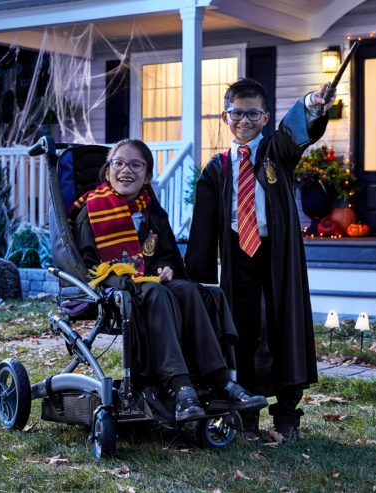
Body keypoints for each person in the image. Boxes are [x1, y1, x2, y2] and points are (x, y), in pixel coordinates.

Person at [71, 138, 268, 422]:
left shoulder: (152, 211)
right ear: (107, 172)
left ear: (147, 175)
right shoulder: (91, 210)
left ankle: (221, 379)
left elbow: (167, 254)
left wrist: (166, 268)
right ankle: (180, 386)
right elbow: (88, 265)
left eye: (136, 165)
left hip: (150, 284)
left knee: (192, 292)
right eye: (119, 163)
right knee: (155, 291)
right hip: (112, 283)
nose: (127, 170)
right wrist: (130, 279)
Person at [185, 78, 335, 440]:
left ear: (265, 117)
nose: (244, 120)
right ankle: (246, 415)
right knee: (242, 332)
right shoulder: (216, 168)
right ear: (225, 116)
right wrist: (194, 283)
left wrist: (313, 104)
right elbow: (202, 233)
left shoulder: (277, 151)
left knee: (284, 328)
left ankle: (286, 416)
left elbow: (298, 131)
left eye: (253, 113)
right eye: (237, 113)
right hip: (237, 256)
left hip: (277, 254)